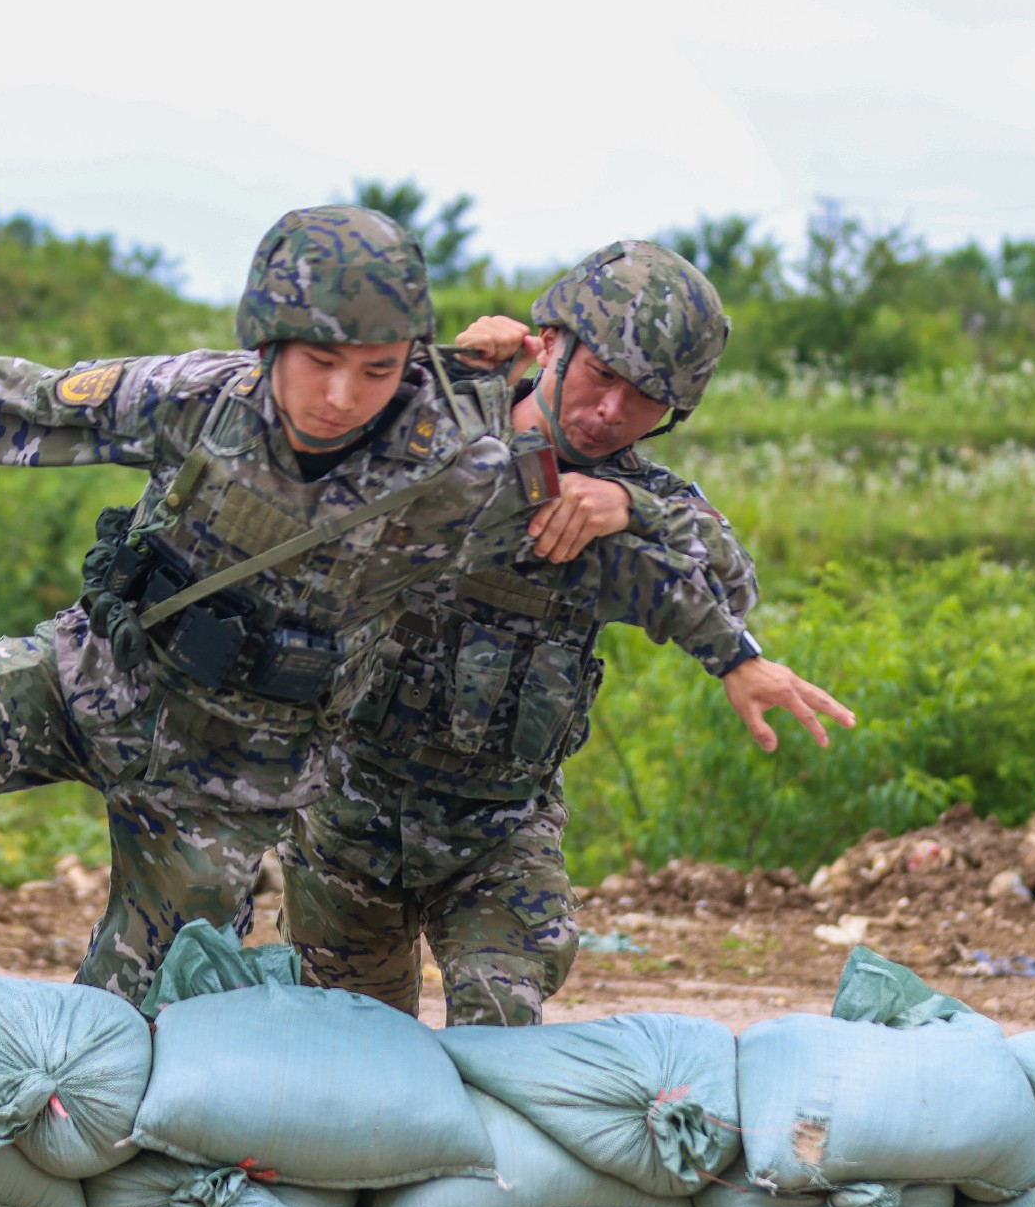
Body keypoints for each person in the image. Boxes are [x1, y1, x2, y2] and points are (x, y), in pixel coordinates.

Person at [0, 207, 738, 1005]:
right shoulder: (201, 398)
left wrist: (627, 515)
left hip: (229, 783)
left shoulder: (464, 469)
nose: (336, 396)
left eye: (372, 370)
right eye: (316, 362)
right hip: (96, 678)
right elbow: (23, 403)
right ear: (269, 344)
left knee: (133, 1021)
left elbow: (687, 560)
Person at [282, 241, 853, 1026]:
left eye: (648, 397)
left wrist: (633, 509)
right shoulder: (443, 424)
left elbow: (734, 584)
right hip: (349, 814)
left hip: (499, 832)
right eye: (603, 375)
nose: (614, 411)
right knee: (350, 1053)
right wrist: (445, 365)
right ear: (549, 343)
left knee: (499, 1021)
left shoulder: (646, 497)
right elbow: (309, 436)